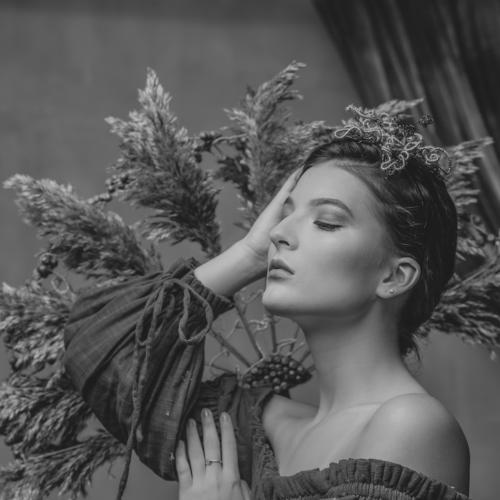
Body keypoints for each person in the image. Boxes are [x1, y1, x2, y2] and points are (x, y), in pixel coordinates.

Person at [63, 106, 471, 500]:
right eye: (284, 216)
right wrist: (250, 254)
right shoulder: (255, 427)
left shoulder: (411, 425)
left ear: (394, 277)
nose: (278, 233)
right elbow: (99, 350)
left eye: (326, 222)